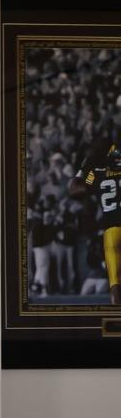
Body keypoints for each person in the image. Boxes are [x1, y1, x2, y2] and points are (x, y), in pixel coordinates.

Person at [67, 97, 121, 305]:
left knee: (116, 289)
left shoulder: (98, 172)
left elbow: (76, 189)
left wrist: (90, 179)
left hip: (111, 230)